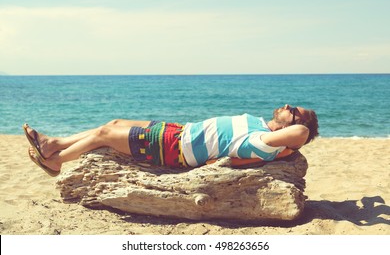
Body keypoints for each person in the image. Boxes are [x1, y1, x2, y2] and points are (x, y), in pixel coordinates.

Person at [23, 104, 319, 177]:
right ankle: (55, 143)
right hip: (176, 132)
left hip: (173, 149)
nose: (288, 106)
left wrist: (301, 127)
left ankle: (55, 161)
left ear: (294, 125)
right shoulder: (259, 124)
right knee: (112, 123)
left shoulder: (266, 140)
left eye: (294, 111)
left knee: (104, 136)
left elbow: (301, 134)